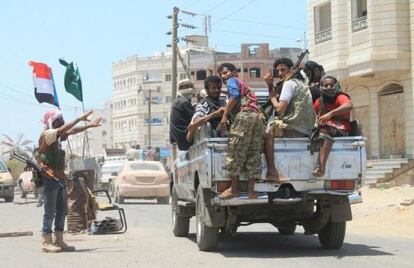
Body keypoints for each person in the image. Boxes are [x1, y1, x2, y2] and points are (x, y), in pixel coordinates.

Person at [38, 109, 101, 253]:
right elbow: (64, 129)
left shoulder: (57, 136)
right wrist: (80, 117)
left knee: (63, 210)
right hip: (49, 178)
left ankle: (59, 240)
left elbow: (71, 131)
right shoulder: (48, 134)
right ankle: (46, 241)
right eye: (58, 120)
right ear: (51, 122)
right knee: (50, 211)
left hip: (59, 178)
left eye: (62, 119)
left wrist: (89, 126)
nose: (61, 122)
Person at [264, 57, 316, 182]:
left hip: (295, 127)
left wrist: (272, 97)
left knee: (267, 132)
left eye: (283, 70)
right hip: (305, 128)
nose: (280, 73)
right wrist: (271, 86)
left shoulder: (289, 84)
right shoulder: (302, 84)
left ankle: (271, 171)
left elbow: (279, 109)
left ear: (291, 70)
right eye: (278, 71)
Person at [217, 63, 264, 199]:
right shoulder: (241, 83)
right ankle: (251, 192)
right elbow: (236, 93)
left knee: (235, 151)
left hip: (244, 116)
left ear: (234, 73)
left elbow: (235, 95)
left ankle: (234, 189)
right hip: (257, 117)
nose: (223, 77)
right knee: (253, 152)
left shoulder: (232, 81)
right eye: (221, 75)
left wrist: (225, 116)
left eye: (225, 73)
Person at [313, 75, 353, 177]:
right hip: (324, 130)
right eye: (326, 85)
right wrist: (317, 122)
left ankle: (321, 167)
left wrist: (331, 114)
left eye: (331, 84)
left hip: (341, 131)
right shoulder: (319, 102)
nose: (329, 87)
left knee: (325, 130)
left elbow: (348, 106)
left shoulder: (340, 97)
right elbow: (313, 116)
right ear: (321, 87)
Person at [186, 75, 226, 142]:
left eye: (219, 88)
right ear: (207, 90)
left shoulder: (223, 102)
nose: (217, 90)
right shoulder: (204, 105)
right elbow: (194, 123)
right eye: (213, 88)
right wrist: (214, 114)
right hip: (212, 145)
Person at [169, 79, 196, 151]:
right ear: (180, 88)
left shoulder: (177, 101)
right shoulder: (183, 102)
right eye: (187, 87)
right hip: (185, 139)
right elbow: (195, 118)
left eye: (191, 87)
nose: (190, 89)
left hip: (180, 140)